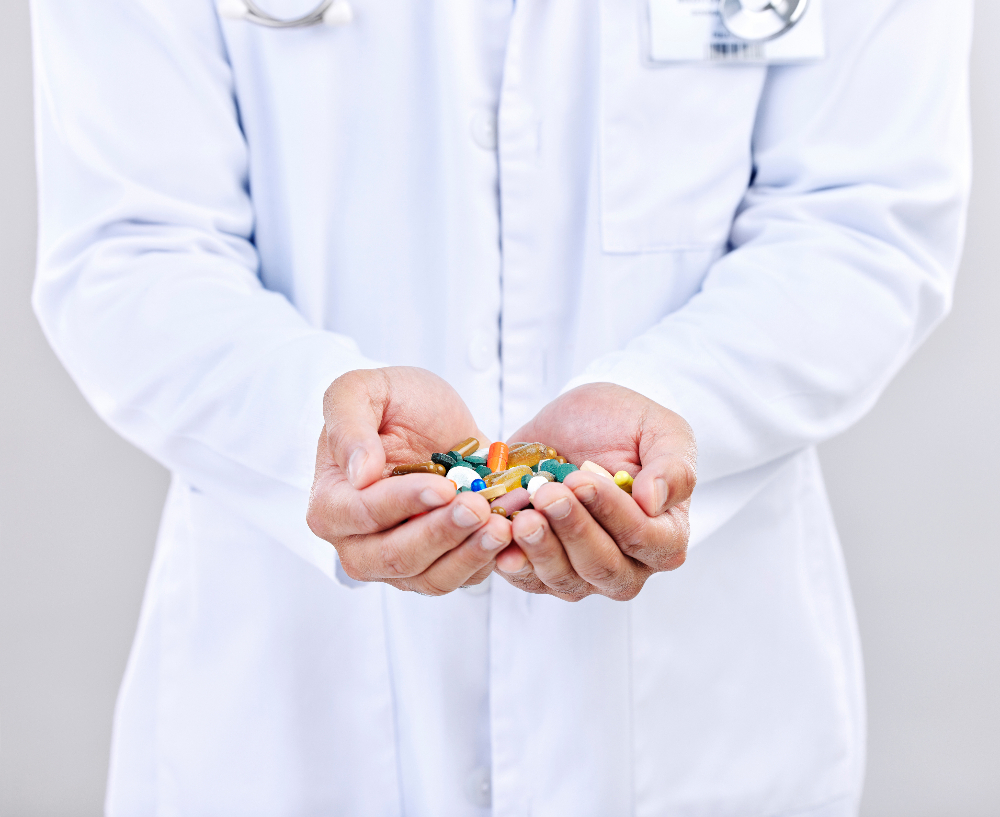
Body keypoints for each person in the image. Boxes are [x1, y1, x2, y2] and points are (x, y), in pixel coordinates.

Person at [30, 0, 972, 814]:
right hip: (293, 708)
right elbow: (131, 243)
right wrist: (310, 425)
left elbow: (863, 217)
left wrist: (677, 401)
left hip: (691, 708)